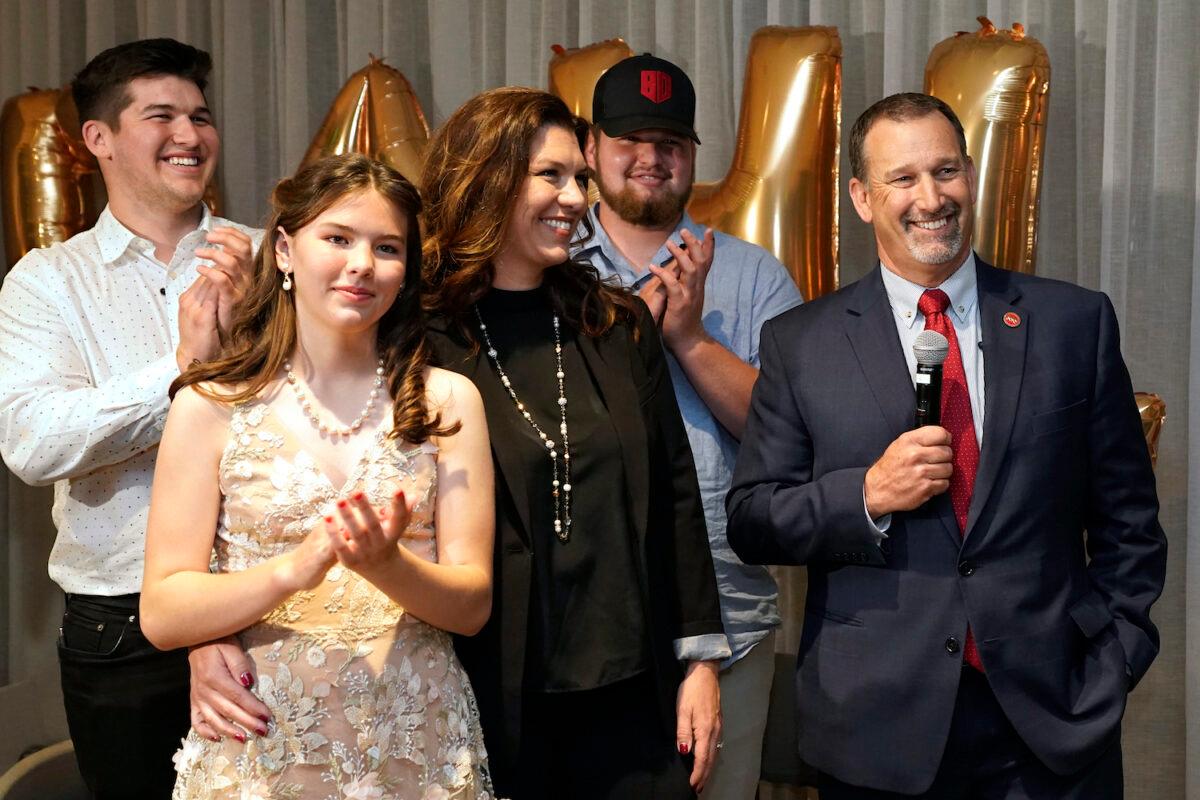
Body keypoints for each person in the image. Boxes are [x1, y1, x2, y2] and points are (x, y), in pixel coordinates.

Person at [726, 92, 1167, 799]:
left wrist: (1112, 662)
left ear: (970, 175)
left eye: (946, 170)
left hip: (1055, 725)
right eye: (902, 178)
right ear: (863, 198)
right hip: (878, 735)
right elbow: (751, 518)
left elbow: (1130, 523)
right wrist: (865, 496)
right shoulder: (801, 344)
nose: (930, 197)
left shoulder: (1072, 323)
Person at [139, 154, 495, 798]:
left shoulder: (447, 401)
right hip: (264, 741)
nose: (362, 263)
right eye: (337, 238)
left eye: (387, 248)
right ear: (283, 250)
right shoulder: (212, 404)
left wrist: (387, 565)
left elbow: (472, 606)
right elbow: (163, 611)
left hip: (416, 738)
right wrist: (294, 569)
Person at [419, 87, 727, 800]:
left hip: (633, 698)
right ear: (486, 177)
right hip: (490, 693)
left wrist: (701, 663)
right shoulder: (418, 337)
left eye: (579, 178)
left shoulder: (615, 325)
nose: (574, 198)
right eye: (548, 175)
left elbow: (678, 496)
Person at [0, 38, 259, 797]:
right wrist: (183, 372)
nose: (190, 135)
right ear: (99, 139)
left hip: (265, 599)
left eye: (201, 116)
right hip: (120, 623)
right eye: (163, 116)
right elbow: (33, 439)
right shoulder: (47, 282)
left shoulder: (268, 256)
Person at [573, 53, 804, 799]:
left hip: (729, 615)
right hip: (584, 617)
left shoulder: (753, 275)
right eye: (629, 141)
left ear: (692, 156)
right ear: (590, 149)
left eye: (669, 143)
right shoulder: (553, 265)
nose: (650, 159)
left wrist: (693, 339)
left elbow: (788, 437)